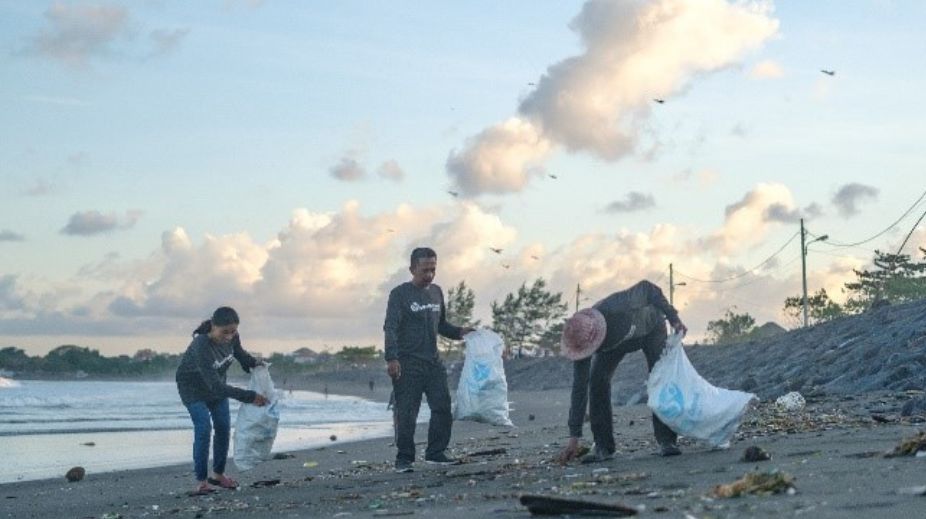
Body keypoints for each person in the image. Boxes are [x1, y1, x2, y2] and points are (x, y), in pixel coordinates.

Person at [556, 280, 688, 464]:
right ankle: (603, 447)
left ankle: (667, 441)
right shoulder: (580, 341)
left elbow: (648, 288)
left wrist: (674, 318)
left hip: (651, 328)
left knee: (659, 377)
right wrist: (574, 438)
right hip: (615, 345)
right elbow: (579, 389)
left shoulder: (615, 306)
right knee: (596, 383)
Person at [384, 247, 474, 473]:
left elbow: (441, 325)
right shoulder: (399, 294)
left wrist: (462, 332)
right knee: (407, 413)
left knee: (442, 407)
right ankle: (404, 459)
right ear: (412, 269)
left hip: (433, 362)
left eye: (433, 270)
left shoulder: (437, 292)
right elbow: (390, 327)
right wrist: (391, 358)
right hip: (407, 364)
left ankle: (436, 453)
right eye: (425, 270)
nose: (430, 275)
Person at [175, 306, 269, 495]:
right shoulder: (201, 345)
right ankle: (202, 482)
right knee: (203, 429)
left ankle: (218, 475)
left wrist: (256, 364)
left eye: (233, 331)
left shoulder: (233, 337)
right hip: (193, 390)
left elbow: (241, 355)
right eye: (224, 332)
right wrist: (250, 397)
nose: (229, 336)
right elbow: (216, 386)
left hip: (216, 387)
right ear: (213, 326)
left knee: (223, 427)